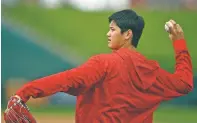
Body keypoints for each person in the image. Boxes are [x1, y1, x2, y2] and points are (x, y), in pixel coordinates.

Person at [4, 9, 193, 123]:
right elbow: (185, 83)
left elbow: (66, 79)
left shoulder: (103, 63)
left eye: (112, 29)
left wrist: (25, 92)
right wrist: (179, 43)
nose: (108, 34)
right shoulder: (154, 73)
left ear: (128, 34)